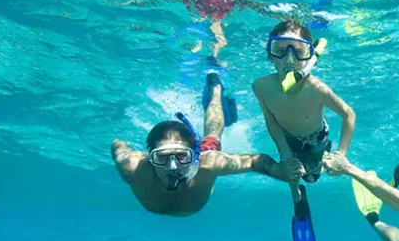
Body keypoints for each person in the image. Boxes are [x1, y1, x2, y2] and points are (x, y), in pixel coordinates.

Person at [111, 72, 302, 216]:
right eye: (162, 158)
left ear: (194, 153)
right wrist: (122, 147)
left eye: (181, 156)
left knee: (211, 137)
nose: (172, 166)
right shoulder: (132, 167)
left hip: (202, 155)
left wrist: (279, 171)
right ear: (150, 157)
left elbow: (255, 161)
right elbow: (117, 145)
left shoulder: (208, 163)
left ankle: (216, 87)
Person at [252, 19, 356, 241]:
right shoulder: (261, 86)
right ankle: (297, 199)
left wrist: (341, 154)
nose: (288, 59)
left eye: (298, 51)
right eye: (280, 50)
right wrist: (285, 154)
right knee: (291, 174)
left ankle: (319, 160)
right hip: (287, 136)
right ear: (270, 55)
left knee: (312, 177)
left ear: (308, 55)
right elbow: (272, 122)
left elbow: (349, 115)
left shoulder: (317, 88)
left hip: (315, 137)